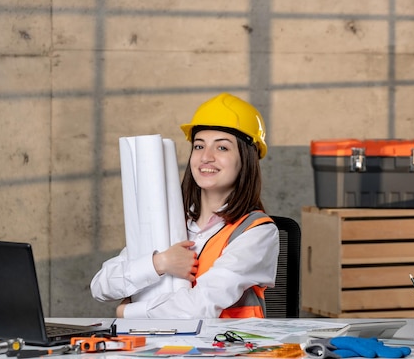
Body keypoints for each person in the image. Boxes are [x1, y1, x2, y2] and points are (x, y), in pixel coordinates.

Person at [90, 92, 279, 318]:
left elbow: (200, 306)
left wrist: (127, 312)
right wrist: (159, 263)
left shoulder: (257, 232)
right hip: (161, 347)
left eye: (222, 148)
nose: (206, 157)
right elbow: (101, 286)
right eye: (199, 146)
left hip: (226, 350)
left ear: (246, 160)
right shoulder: (170, 221)